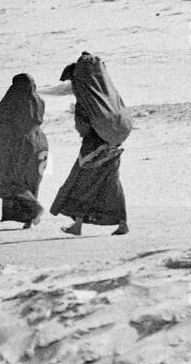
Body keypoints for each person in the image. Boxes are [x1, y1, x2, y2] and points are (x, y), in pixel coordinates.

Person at [39, 53, 132, 236]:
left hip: (94, 145)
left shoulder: (86, 98)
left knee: (80, 182)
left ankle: (78, 225)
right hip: (115, 141)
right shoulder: (107, 91)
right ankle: (122, 223)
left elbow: (82, 127)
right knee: (111, 182)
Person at [0, 73, 49, 228]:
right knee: (30, 181)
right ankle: (29, 220)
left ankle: (34, 208)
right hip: (40, 145)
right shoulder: (39, 101)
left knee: (4, 180)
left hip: (18, 146)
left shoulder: (10, 101)